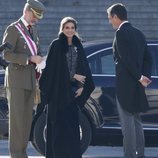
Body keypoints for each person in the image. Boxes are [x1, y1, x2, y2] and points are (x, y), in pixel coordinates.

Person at [39, 17, 95, 158]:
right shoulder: (56, 45)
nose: (70, 30)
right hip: (58, 96)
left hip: (72, 96)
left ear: (75, 29)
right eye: (67, 27)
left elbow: (84, 68)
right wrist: (73, 75)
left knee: (71, 131)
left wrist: (82, 86)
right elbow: (53, 70)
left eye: (72, 27)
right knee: (58, 131)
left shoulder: (78, 45)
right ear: (62, 29)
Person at [106, 3, 152, 158]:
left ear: (115, 16)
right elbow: (148, 58)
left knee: (127, 126)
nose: (109, 21)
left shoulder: (120, 33)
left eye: (109, 18)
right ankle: (141, 155)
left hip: (126, 86)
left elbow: (125, 59)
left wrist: (139, 77)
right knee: (137, 122)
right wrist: (144, 77)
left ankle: (130, 155)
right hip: (138, 86)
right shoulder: (139, 33)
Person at [2, 0, 46, 158]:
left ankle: (22, 153)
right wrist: (29, 59)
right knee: (17, 122)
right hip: (16, 81)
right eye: (35, 16)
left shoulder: (33, 30)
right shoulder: (13, 29)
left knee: (26, 121)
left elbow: (36, 51)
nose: (36, 19)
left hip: (30, 81)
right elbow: (6, 54)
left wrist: (39, 60)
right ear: (27, 11)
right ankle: (16, 155)